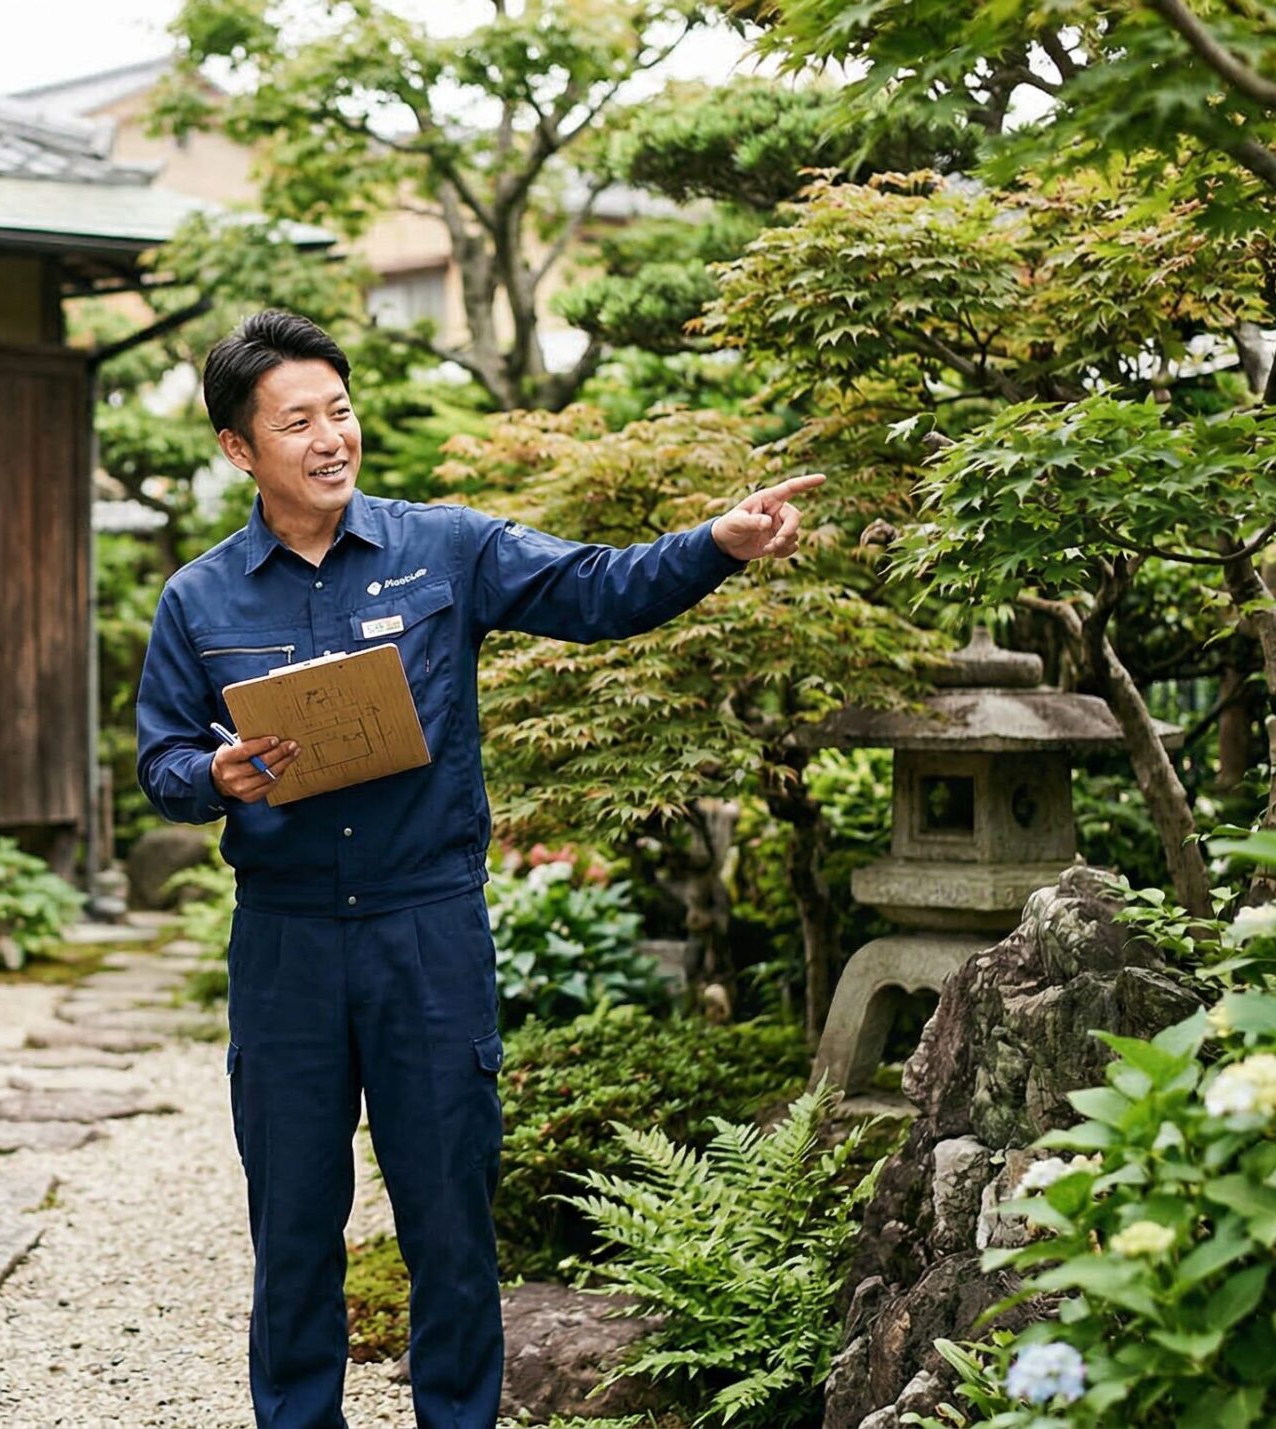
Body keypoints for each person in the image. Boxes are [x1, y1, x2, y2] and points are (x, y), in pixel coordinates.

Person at [134, 310, 817, 1429]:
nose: (328, 439)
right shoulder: (198, 600)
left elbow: (596, 589)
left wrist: (715, 545)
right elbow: (160, 756)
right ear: (237, 450)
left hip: (426, 926)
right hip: (288, 940)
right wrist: (216, 773)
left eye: (339, 412)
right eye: (295, 421)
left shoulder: (442, 547)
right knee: (293, 1217)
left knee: (449, 1211)